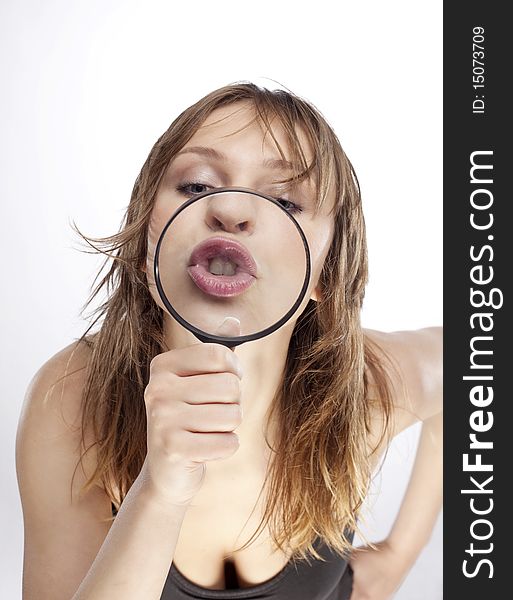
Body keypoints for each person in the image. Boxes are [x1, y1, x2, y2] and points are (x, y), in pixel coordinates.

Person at [15, 82, 442, 600]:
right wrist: (160, 490)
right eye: (196, 187)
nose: (232, 213)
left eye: (285, 200)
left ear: (323, 275)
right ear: (147, 239)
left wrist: (400, 554)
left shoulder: (367, 388)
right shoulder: (73, 399)